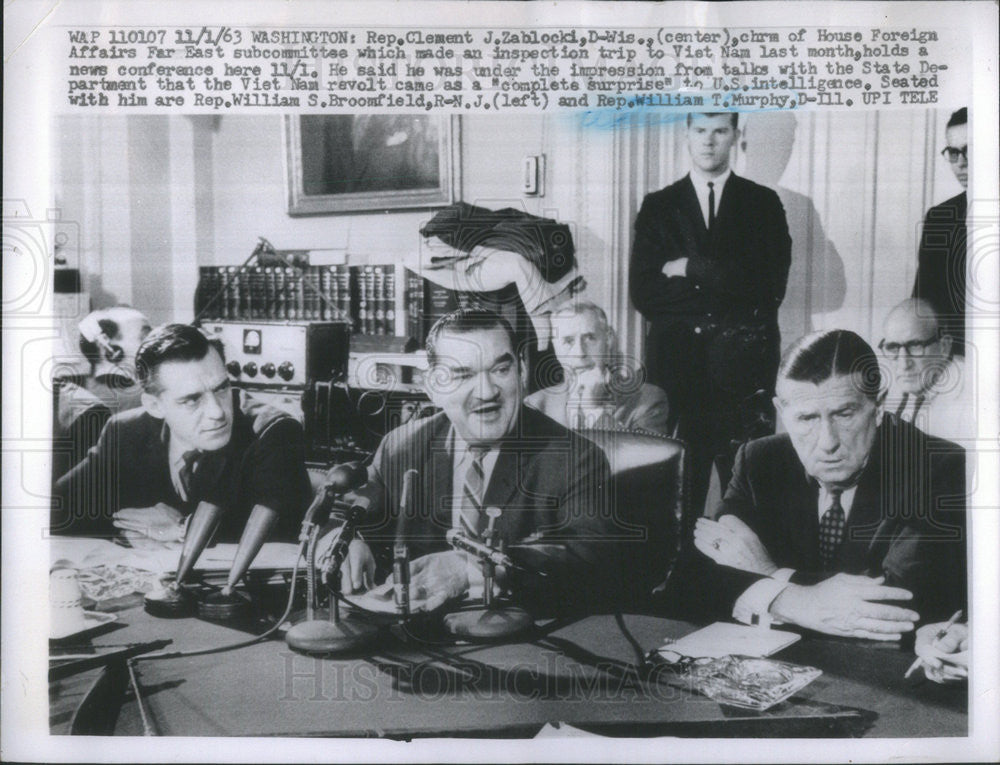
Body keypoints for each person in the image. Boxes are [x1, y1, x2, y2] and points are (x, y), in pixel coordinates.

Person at [676, 330, 966, 639]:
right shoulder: (760, 460)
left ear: (878, 407)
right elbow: (697, 575)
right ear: (781, 411)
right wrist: (793, 599)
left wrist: (772, 575)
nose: (828, 443)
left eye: (844, 414)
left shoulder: (940, 467)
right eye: (807, 418)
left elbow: (898, 602)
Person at [336, 308, 617, 612]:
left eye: (500, 370)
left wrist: (470, 569)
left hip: (518, 643)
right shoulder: (402, 446)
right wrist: (344, 542)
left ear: (521, 372)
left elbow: (590, 557)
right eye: (463, 374)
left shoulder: (574, 458)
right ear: (433, 386)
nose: (486, 392)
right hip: (414, 642)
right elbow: (345, 511)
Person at [630, 112, 792, 506]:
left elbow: (769, 289)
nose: (709, 141)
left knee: (750, 486)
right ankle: (678, 567)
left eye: (719, 131)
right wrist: (731, 286)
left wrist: (690, 267)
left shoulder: (763, 204)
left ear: (736, 136)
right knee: (673, 487)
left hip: (744, 369)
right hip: (677, 368)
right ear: (687, 135)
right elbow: (644, 293)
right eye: (700, 131)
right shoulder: (659, 206)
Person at [52, 323, 312, 547]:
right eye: (191, 400)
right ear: (154, 406)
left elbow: (290, 536)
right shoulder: (123, 433)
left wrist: (181, 529)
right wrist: (127, 533)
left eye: (222, 389)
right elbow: (54, 513)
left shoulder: (274, 433)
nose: (217, 412)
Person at [525, 301, 670, 435]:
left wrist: (594, 410)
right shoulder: (535, 405)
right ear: (556, 347)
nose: (580, 353)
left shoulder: (648, 400)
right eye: (568, 341)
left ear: (608, 339)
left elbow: (645, 462)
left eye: (589, 338)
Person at [54, 306, 152, 474]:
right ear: (108, 346)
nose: (154, 343)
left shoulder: (74, 391)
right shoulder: (142, 399)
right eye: (145, 337)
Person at [879, 298, 973, 443]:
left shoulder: (974, 397)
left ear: (944, 347)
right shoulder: (886, 389)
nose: (903, 364)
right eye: (893, 347)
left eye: (915, 345)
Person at [913, 107, 968, 356]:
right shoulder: (939, 218)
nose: (961, 163)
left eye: (970, 151)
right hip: (955, 360)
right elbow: (924, 301)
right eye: (953, 152)